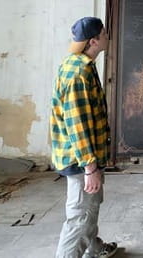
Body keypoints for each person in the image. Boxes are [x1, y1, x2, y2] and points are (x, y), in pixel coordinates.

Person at [51, 16, 118, 258]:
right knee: (79, 215)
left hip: (83, 156)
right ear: (94, 41)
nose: (108, 37)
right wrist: (90, 166)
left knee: (91, 206)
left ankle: (94, 248)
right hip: (80, 159)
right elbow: (76, 123)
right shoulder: (79, 73)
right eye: (104, 33)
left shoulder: (79, 64)